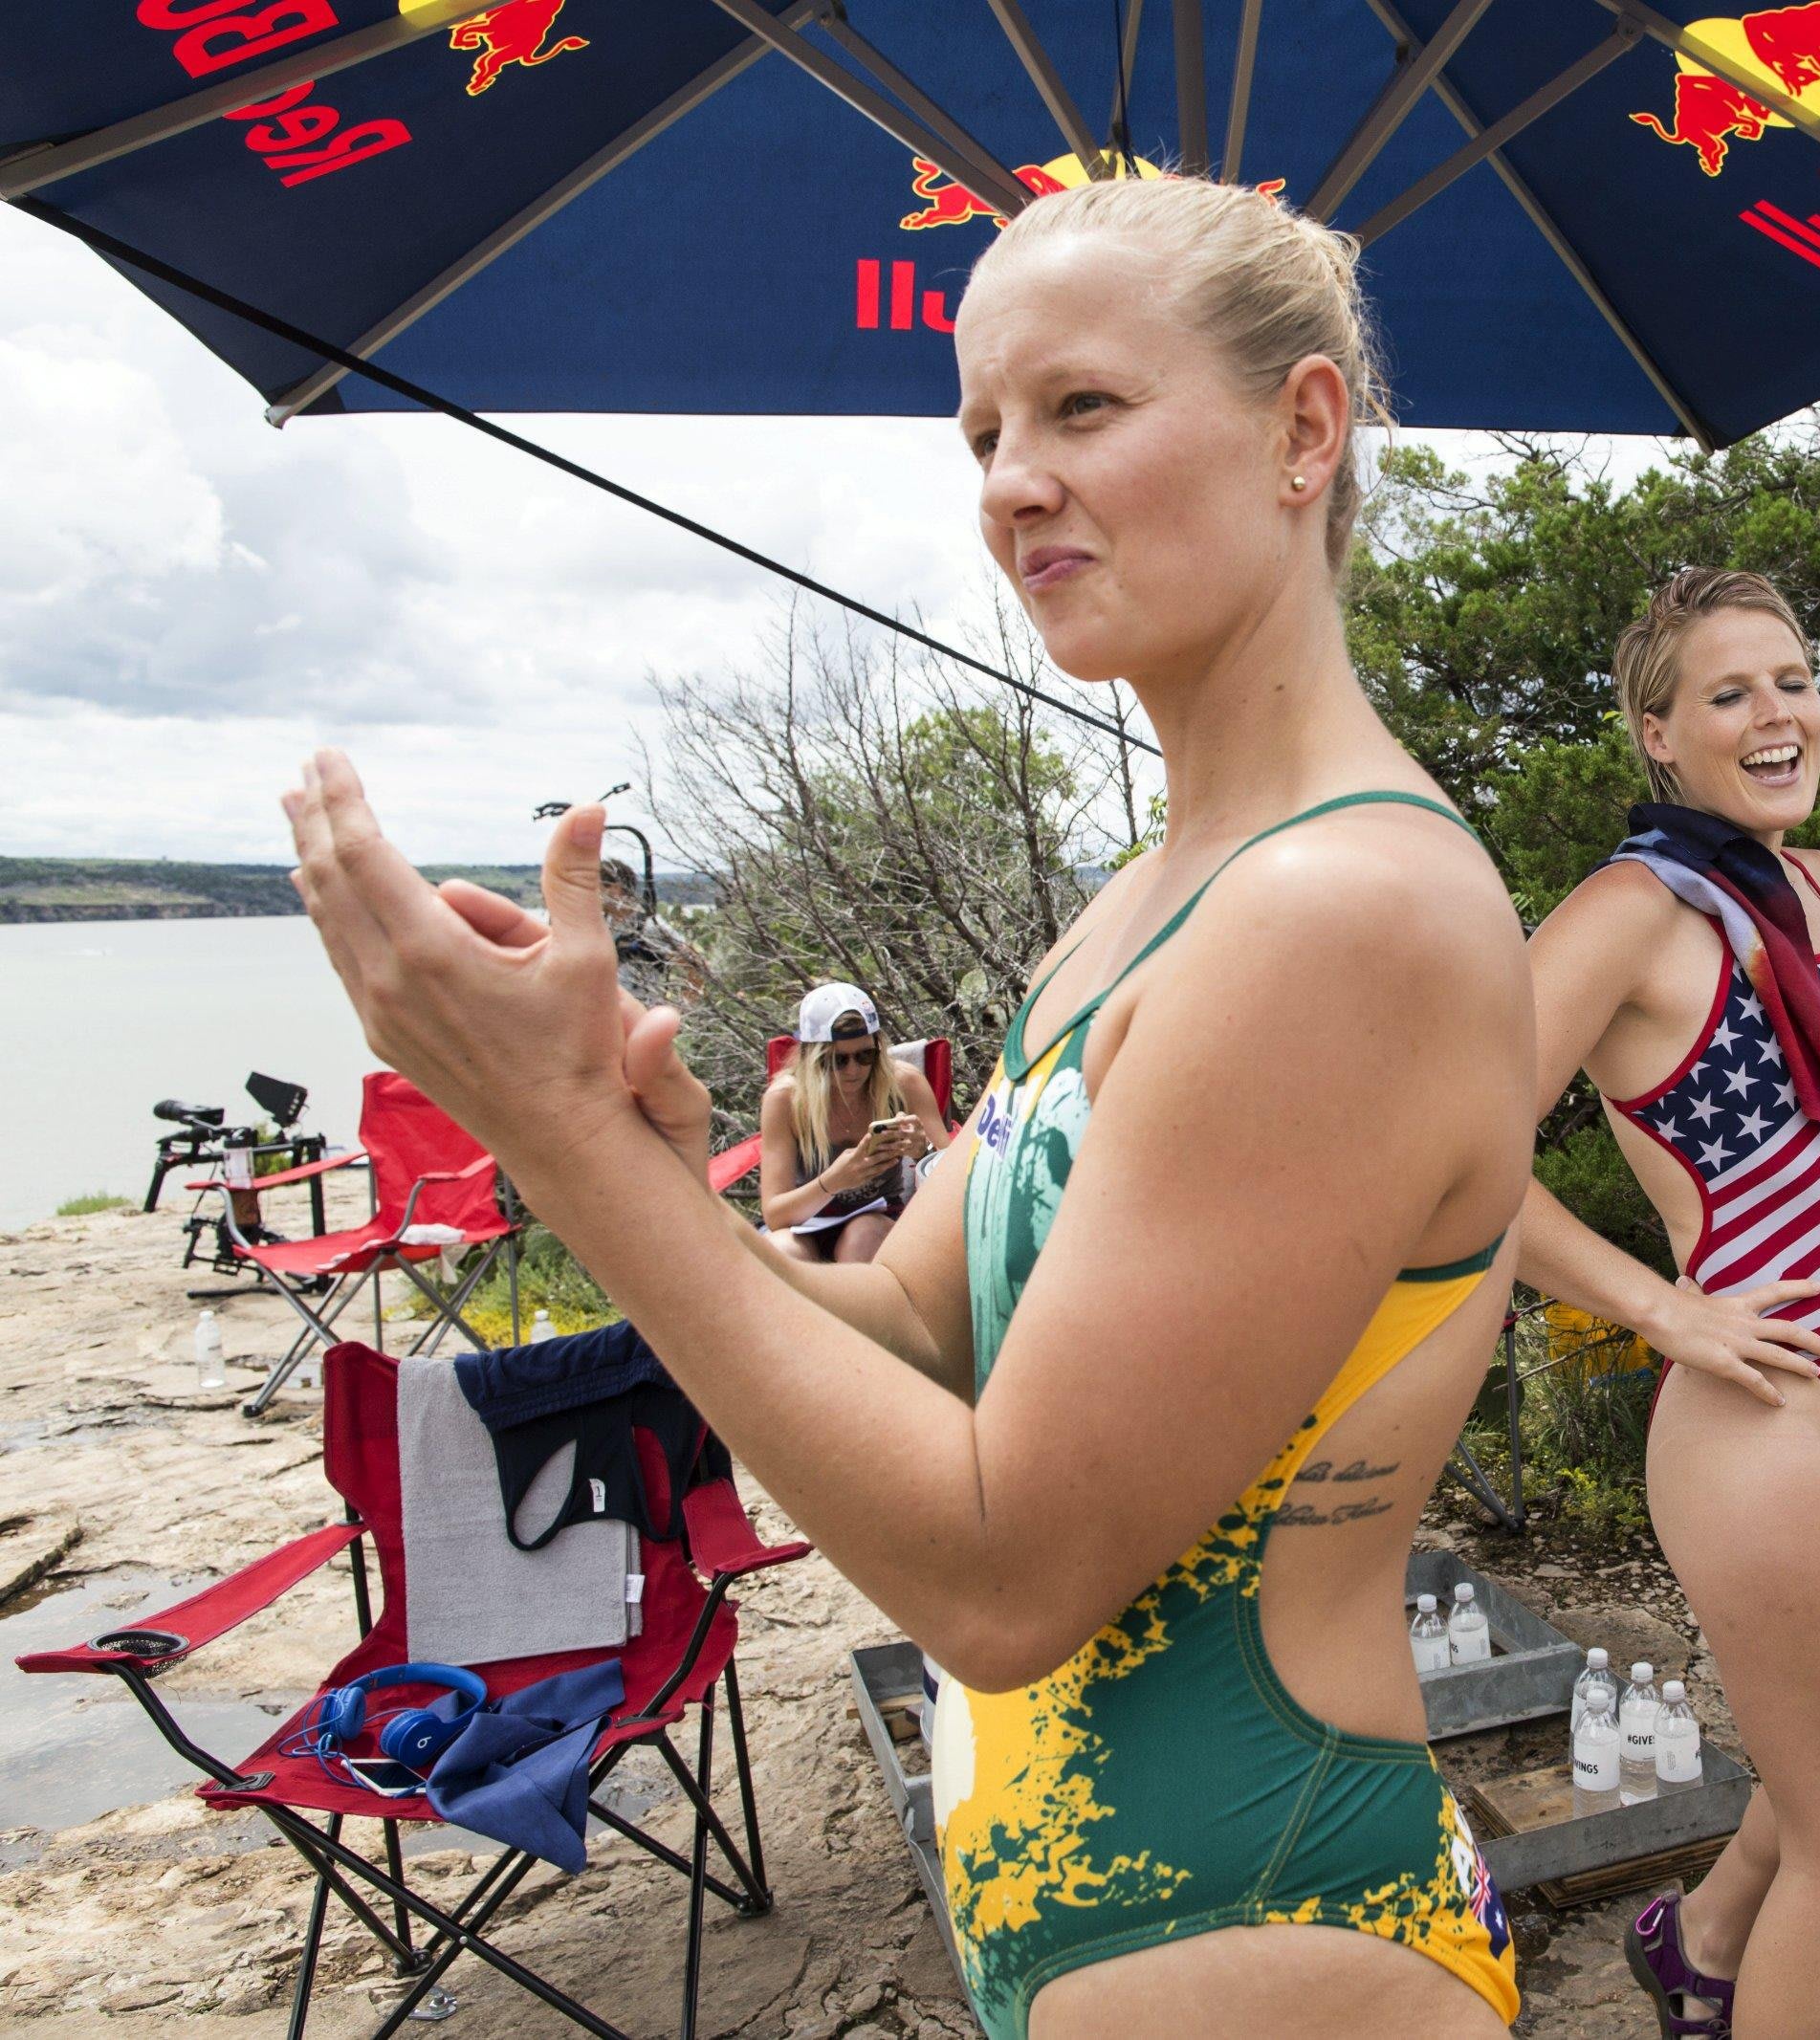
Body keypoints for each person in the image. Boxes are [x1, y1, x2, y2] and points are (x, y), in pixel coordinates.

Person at [282, 175, 1533, 2040]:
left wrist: (558, 1147)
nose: (1011, 481)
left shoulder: (1337, 914)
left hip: (1262, 1919)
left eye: (1082, 406)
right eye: (982, 433)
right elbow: (906, 1319)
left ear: (1302, 430)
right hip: (1111, 1924)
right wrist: (647, 1170)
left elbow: (1006, 1575)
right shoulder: (1140, 906)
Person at [1518, 568, 1820, 2040]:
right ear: (1659, 733)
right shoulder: (1623, 916)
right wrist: (1662, 1312)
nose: (1778, 714)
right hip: (1765, 1407)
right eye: (1731, 693)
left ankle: (1701, 1937)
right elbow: (1443, 1158)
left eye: (1793, 682)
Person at [757, 981, 944, 1265]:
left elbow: (952, 1180)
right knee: (780, 1251)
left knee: (862, 1236)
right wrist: (833, 1181)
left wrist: (924, 1151)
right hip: (804, 1222)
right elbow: (775, 1216)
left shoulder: (903, 1084)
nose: (854, 1070)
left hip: (875, 1219)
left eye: (865, 1055)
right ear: (812, 1057)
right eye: (838, 1060)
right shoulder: (786, 1100)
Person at [602, 856, 706, 1007]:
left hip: (642, 1014)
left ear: (614, 889)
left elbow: (697, 966)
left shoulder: (649, 926)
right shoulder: (603, 925)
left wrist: (680, 1007)